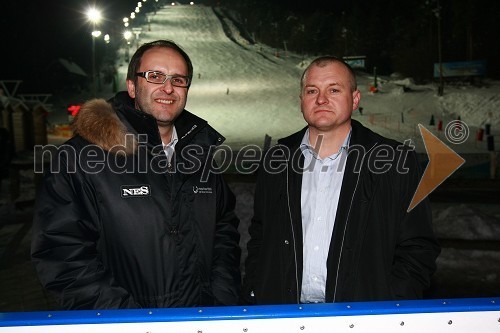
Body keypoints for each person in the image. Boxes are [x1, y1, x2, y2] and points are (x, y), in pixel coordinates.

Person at [31, 40, 241, 309]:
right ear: (132, 86)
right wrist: (129, 320)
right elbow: (61, 254)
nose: (168, 88)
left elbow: (223, 230)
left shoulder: (198, 154)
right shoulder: (81, 158)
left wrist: (221, 299)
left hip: (201, 320)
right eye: (155, 76)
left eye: (178, 79)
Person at [241, 56, 440, 305]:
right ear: (302, 100)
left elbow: (418, 245)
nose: (321, 99)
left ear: (355, 99)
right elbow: (261, 237)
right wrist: (255, 291)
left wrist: (392, 303)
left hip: (362, 318)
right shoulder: (277, 161)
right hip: (286, 315)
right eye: (312, 90)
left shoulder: (393, 161)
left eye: (334, 89)